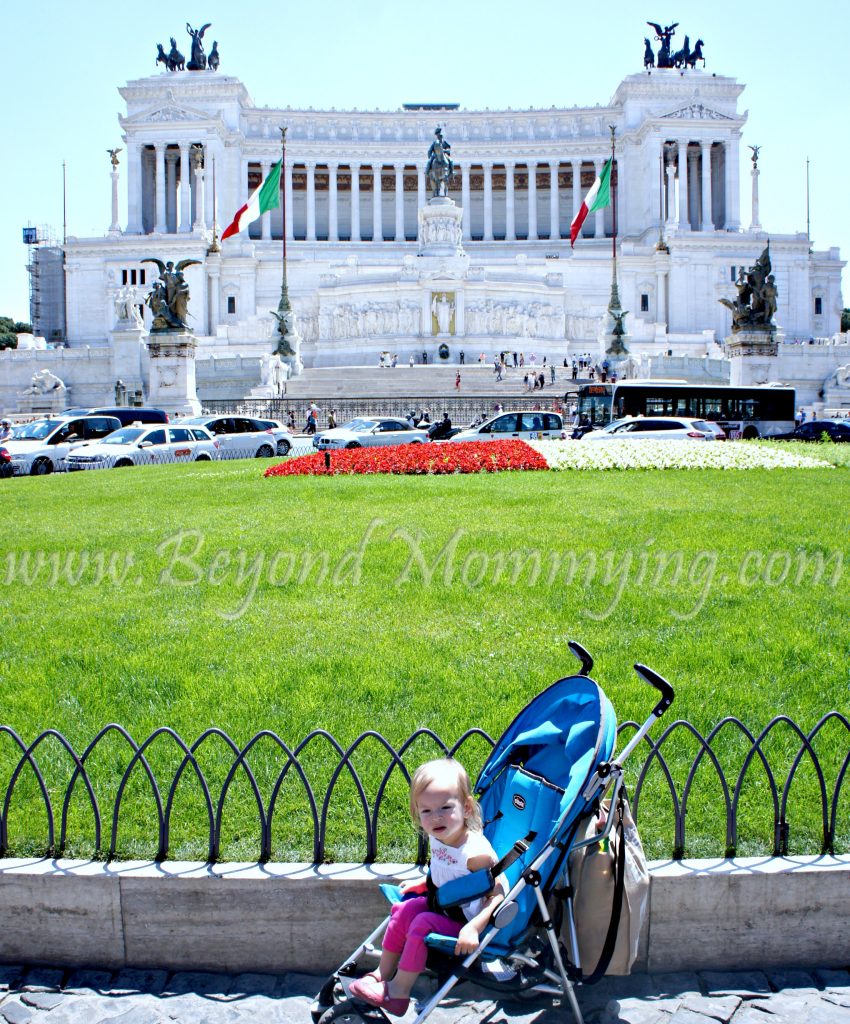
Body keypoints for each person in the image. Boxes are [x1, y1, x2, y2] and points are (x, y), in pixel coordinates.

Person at [348, 758, 504, 1016]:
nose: (436, 817)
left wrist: (474, 927)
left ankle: (398, 992)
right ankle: (380, 975)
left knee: (421, 924)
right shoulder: (440, 833)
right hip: (444, 904)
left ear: (466, 808)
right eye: (427, 811)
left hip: (466, 920)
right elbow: (445, 868)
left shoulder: (476, 853)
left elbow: (498, 891)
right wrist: (425, 882)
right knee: (402, 910)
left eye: (445, 807)